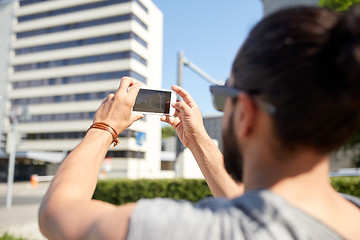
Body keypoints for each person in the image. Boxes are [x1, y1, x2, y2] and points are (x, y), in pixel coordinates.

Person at [38, 5, 360, 240]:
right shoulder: (352, 215)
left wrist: (103, 127)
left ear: (245, 113)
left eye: (222, 96)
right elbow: (252, 204)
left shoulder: (196, 230)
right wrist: (197, 140)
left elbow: (57, 214)